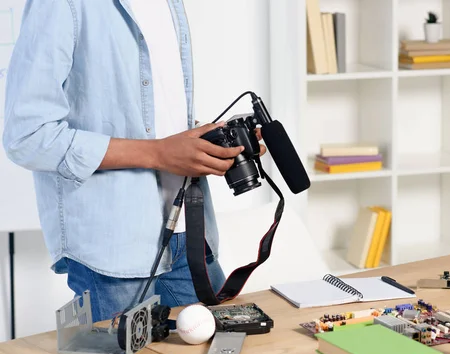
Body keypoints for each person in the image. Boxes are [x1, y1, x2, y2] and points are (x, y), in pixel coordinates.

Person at [2, 0, 265, 322]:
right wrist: (158, 153)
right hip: (114, 248)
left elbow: (152, 119)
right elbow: (28, 137)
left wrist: (208, 145)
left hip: (191, 235)